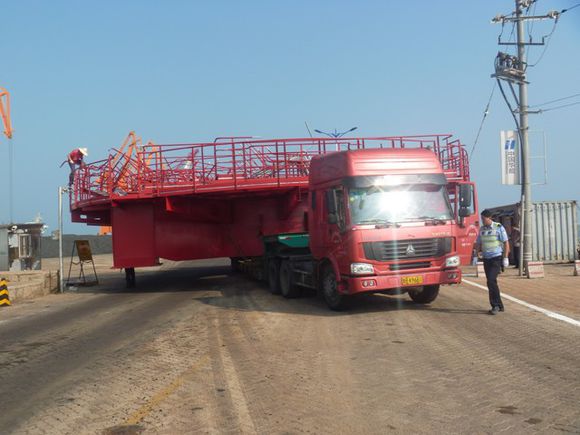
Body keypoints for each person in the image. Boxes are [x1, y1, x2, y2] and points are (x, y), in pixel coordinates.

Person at [474, 209, 510, 315]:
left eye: (483, 218)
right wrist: (476, 254)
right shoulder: (482, 229)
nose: (482, 220)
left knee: (491, 280)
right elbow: (478, 242)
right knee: (491, 282)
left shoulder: (498, 227)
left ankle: (495, 305)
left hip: (496, 258)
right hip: (486, 259)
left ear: (489, 218)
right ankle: (500, 305)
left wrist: (506, 258)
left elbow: (506, 243)